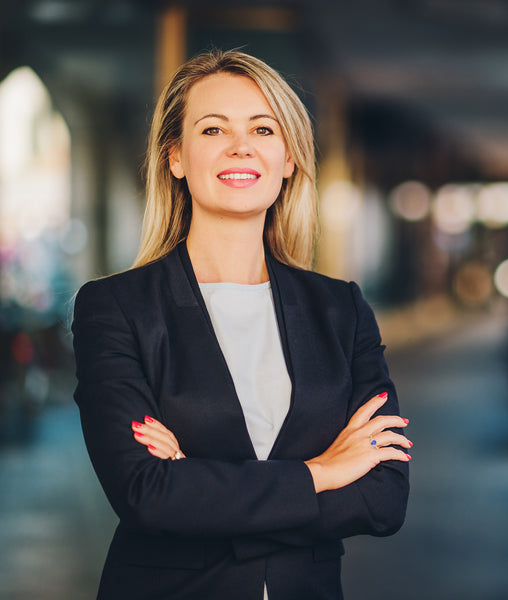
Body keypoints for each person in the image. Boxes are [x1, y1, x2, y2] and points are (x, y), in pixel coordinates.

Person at [72, 49, 411, 600]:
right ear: (175, 156)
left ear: (289, 159)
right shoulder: (115, 308)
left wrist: (199, 485)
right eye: (213, 129)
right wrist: (322, 472)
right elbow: (146, 494)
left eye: (263, 128)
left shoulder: (340, 310)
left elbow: (383, 498)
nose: (241, 146)